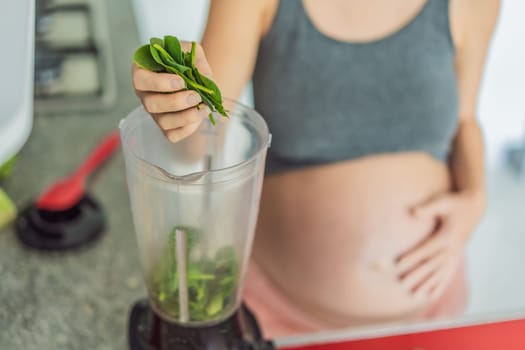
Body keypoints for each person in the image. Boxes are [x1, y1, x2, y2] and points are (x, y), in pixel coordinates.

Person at [132, 0, 498, 338]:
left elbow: (465, 121)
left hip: (431, 308)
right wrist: (172, 97)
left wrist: (475, 199)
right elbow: (197, 142)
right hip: (279, 314)